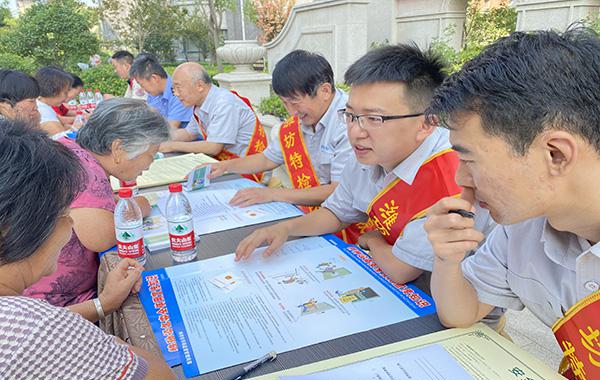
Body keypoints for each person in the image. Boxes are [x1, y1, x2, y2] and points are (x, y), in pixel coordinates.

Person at [423, 28, 600, 380]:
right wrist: (447, 259)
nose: (461, 179)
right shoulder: (524, 227)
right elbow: (462, 313)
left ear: (555, 154)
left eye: (469, 159)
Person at [236, 45, 462, 285]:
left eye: (374, 118)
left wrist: (373, 240)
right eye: (351, 116)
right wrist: (284, 229)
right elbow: (336, 213)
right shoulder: (369, 153)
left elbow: (400, 270)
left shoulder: (449, 175)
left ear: (426, 124)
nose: (355, 132)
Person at [0, 119, 180, 380]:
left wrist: (103, 304)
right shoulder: (36, 330)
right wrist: (110, 346)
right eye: (63, 213)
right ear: (17, 227)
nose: (72, 223)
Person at [24, 98, 168, 320]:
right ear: (118, 149)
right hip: (49, 310)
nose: (149, 164)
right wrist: (139, 206)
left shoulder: (72, 149)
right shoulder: (86, 172)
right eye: (151, 154)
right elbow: (101, 237)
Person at [206, 50, 354, 212]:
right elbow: (267, 159)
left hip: (352, 220)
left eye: (295, 102)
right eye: (285, 103)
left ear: (324, 91)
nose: (292, 112)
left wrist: (272, 194)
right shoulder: (302, 120)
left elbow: (339, 191)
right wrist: (224, 166)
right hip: (318, 210)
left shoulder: (352, 123)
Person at [158, 63, 267, 181]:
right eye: (173, 89)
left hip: (248, 170)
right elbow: (188, 133)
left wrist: (171, 146)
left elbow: (213, 147)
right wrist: (157, 140)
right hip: (224, 165)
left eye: (179, 88)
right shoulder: (200, 104)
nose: (176, 94)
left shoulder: (223, 103)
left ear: (200, 85)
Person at [129, 53, 191, 129]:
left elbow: (170, 129)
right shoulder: (154, 92)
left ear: (154, 78)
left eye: (142, 85)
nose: (142, 90)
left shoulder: (179, 94)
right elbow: (150, 117)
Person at [35, 66, 74, 135]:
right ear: (54, 91)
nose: (67, 95)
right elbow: (63, 139)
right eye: (65, 92)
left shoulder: (42, 105)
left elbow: (62, 124)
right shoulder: (44, 115)